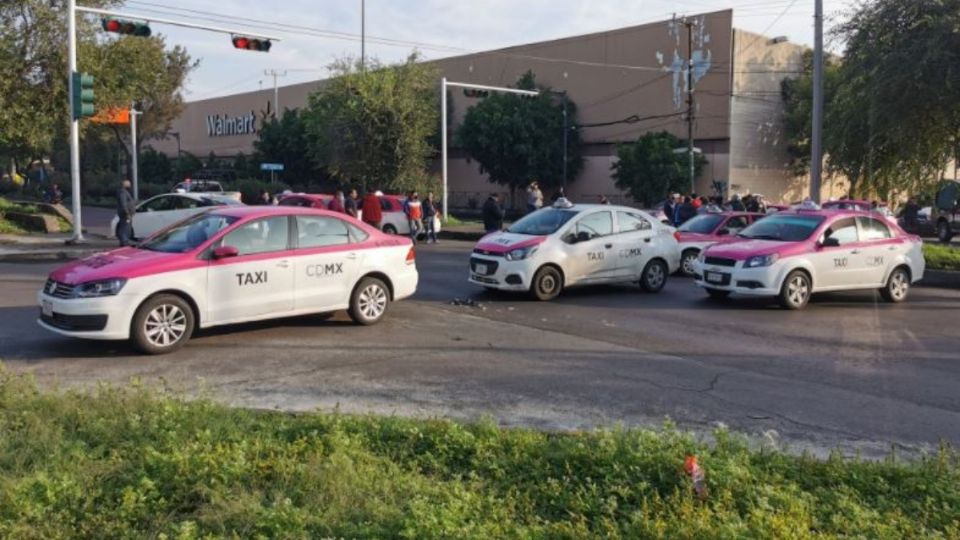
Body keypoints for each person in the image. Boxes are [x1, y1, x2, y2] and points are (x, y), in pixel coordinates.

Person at [116, 179, 136, 247]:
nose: (130, 185)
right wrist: (127, 213)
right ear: (124, 185)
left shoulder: (124, 192)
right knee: (125, 227)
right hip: (125, 214)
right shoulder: (123, 192)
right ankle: (124, 242)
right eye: (128, 184)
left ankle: (125, 241)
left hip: (126, 213)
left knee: (126, 227)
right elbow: (123, 204)